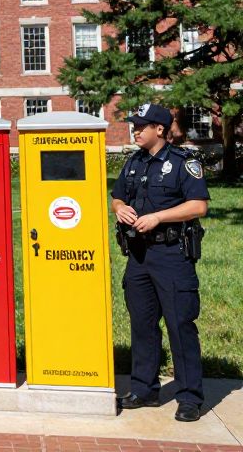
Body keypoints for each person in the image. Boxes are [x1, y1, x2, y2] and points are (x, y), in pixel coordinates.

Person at [111, 103, 209, 423]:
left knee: (180, 325)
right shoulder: (133, 162)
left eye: (142, 125)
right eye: (134, 125)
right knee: (142, 325)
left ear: (161, 130)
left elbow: (198, 206)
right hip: (139, 256)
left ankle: (189, 397)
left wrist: (158, 217)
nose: (135, 130)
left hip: (171, 256)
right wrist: (120, 208)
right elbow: (118, 195)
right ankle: (144, 389)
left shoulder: (184, 163)